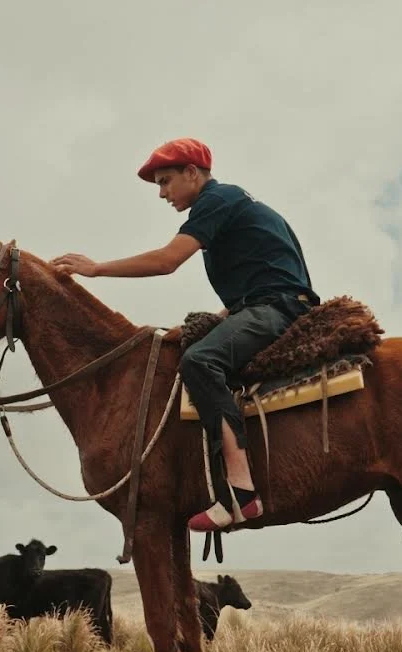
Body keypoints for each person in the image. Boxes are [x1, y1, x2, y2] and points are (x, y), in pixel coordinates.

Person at [52, 138, 316, 532]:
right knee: (191, 345)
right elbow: (258, 284)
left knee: (200, 360)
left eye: (165, 181)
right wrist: (212, 321)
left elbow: (167, 261)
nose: (162, 193)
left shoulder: (216, 199)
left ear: (192, 173)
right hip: (266, 304)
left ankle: (240, 493)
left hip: (278, 308)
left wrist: (96, 269)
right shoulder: (231, 205)